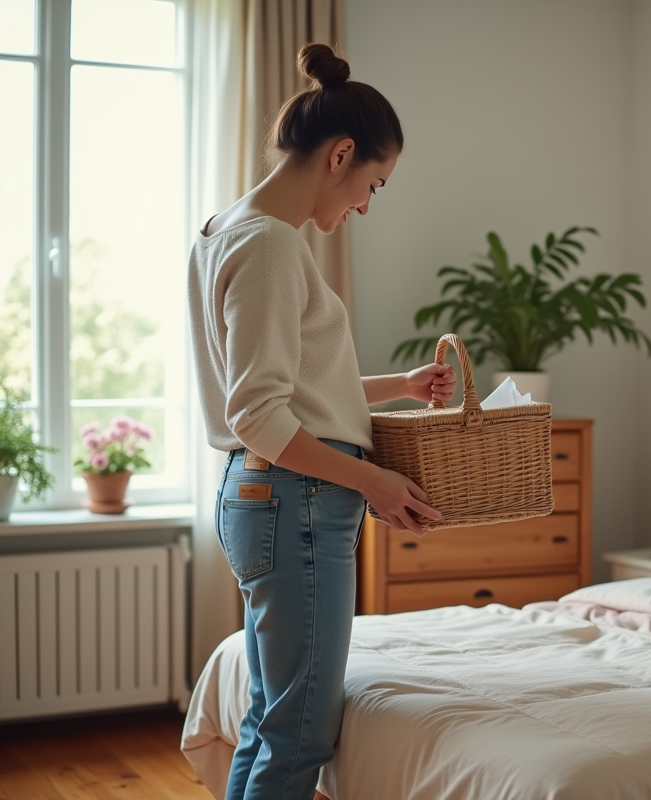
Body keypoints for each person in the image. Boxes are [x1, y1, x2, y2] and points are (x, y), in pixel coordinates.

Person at [186, 43, 454, 800]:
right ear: (341, 155)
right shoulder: (272, 244)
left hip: (264, 496)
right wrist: (373, 480)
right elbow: (263, 414)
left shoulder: (224, 230)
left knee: (278, 719)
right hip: (296, 499)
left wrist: (398, 385)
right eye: (374, 183)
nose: (367, 204)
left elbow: (291, 390)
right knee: (302, 729)